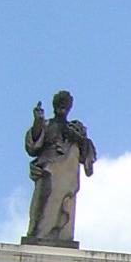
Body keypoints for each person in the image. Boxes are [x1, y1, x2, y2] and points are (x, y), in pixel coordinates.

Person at [24, 91, 97, 246]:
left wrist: (78, 137)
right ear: (54, 106)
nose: (61, 108)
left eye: (65, 105)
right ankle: (40, 234)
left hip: (67, 175)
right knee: (43, 202)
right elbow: (33, 147)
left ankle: (61, 236)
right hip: (47, 171)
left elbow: (86, 153)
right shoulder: (47, 125)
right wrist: (38, 121)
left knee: (65, 203)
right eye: (59, 104)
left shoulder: (74, 130)